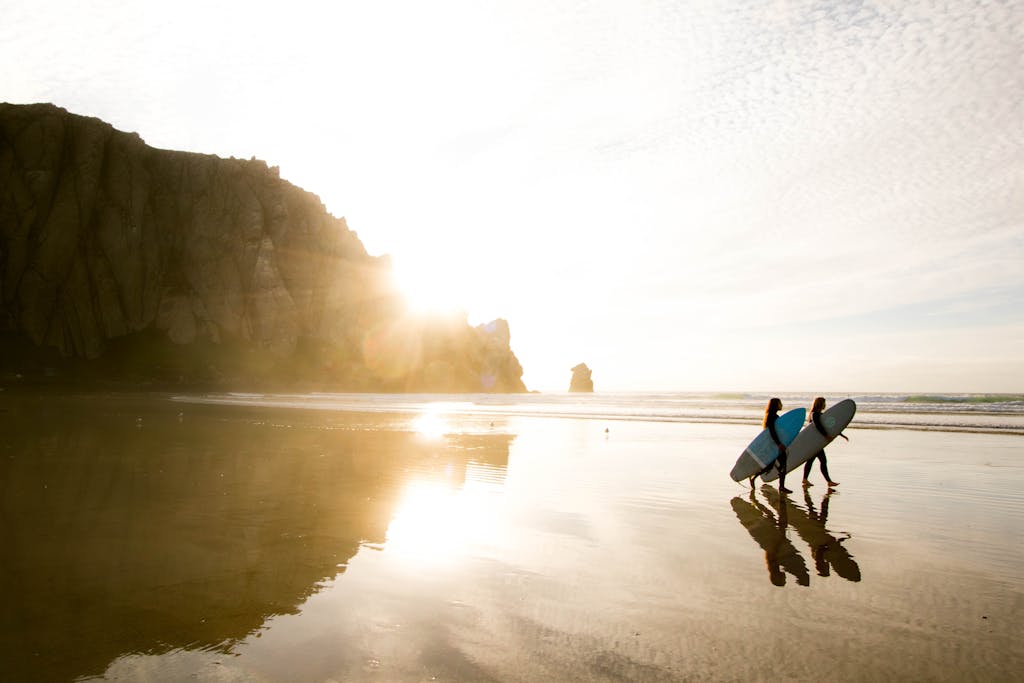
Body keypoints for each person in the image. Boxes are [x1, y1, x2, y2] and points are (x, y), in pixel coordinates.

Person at [802, 396, 848, 488]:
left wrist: (841, 435)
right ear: (820, 404)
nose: (825, 405)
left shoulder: (820, 414)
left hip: (817, 442)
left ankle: (805, 479)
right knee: (822, 461)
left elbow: (829, 427)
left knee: (812, 460)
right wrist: (826, 436)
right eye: (824, 403)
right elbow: (818, 426)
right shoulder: (814, 414)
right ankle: (828, 481)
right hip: (815, 442)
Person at [749, 397, 791, 493]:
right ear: (776, 405)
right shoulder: (772, 416)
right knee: (778, 465)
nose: (782, 405)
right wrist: (779, 444)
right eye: (780, 403)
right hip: (775, 444)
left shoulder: (772, 416)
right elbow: (772, 432)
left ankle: (755, 476)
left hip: (775, 443)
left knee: (775, 465)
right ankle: (780, 486)